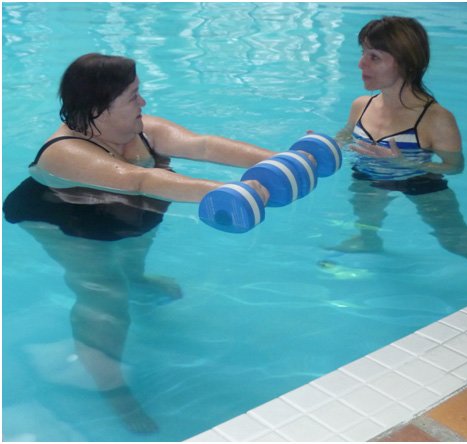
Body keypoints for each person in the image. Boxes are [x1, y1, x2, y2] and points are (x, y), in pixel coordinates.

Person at [3, 53, 276, 433]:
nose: (143, 103)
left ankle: (138, 278)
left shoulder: (141, 130)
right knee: (104, 292)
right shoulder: (66, 153)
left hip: (123, 210)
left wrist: (279, 162)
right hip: (64, 217)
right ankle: (113, 391)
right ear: (99, 108)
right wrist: (230, 191)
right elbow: (139, 182)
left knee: (137, 233)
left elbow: (205, 146)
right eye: (133, 96)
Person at [332, 16, 467, 291]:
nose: (361, 64)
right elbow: (345, 136)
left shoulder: (435, 118)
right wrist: (322, 147)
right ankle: (368, 241)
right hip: (367, 176)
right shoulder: (362, 105)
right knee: (365, 224)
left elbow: (455, 167)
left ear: (405, 62)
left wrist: (403, 161)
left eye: (374, 57)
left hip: (421, 181)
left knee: (458, 243)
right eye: (363, 54)